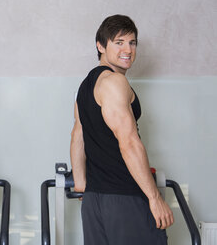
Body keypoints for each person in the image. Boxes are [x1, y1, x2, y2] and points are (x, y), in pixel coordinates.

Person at [70, 15, 174, 245]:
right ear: (100, 46)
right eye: (119, 42)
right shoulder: (114, 82)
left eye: (132, 42)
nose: (128, 49)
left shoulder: (85, 87)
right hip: (125, 198)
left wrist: (81, 186)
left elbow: (78, 135)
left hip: (94, 201)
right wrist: (154, 197)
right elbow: (129, 142)